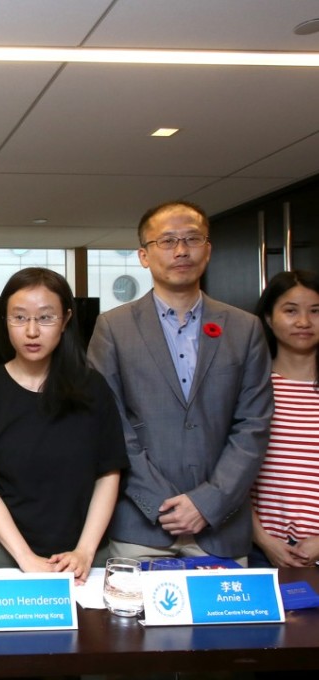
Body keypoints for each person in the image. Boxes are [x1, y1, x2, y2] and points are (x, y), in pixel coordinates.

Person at [88, 200, 273, 564]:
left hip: (220, 527)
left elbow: (253, 425)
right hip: (142, 524)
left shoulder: (245, 328)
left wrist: (207, 502)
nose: (182, 250)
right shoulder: (113, 327)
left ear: (208, 249)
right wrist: (158, 501)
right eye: (168, 241)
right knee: (131, 621)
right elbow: (108, 423)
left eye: (192, 238)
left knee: (231, 622)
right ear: (144, 255)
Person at [0, 268, 127, 583]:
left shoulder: (93, 388)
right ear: (4, 321)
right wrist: (26, 558)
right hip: (2, 554)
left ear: (65, 320)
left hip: (84, 554)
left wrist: (84, 552)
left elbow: (108, 473)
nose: (31, 331)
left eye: (45, 318)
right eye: (19, 318)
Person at [250, 269, 319, 567]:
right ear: (268, 317)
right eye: (291, 311)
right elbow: (231, 475)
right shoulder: (251, 388)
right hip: (261, 549)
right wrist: (264, 541)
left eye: (316, 311)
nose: (304, 322)